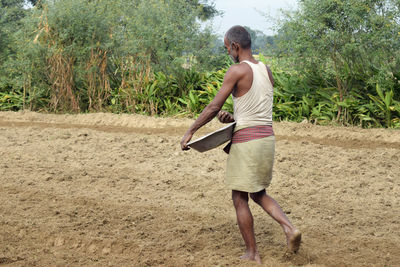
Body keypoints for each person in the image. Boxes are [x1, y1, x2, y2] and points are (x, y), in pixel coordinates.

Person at [180, 25, 301, 264]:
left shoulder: (236, 70)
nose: (228, 53)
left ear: (235, 46)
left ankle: (252, 253)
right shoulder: (266, 70)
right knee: (258, 192)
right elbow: (256, 109)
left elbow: (213, 106)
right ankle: (289, 228)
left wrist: (190, 131)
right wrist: (233, 118)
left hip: (248, 142)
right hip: (267, 139)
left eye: (227, 48)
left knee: (239, 197)